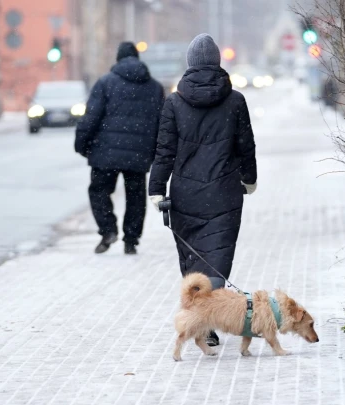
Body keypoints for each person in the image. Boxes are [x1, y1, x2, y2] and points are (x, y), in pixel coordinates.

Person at [148, 34, 257, 346]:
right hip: (224, 193)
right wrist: (249, 179)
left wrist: (157, 188)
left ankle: (202, 321)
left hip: (186, 195)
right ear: (218, 63)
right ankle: (207, 319)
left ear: (190, 64)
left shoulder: (174, 102)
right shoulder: (235, 101)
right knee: (217, 260)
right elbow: (246, 146)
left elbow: (164, 151)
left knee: (192, 262)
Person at [75, 42, 165, 255]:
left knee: (99, 191)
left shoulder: (105, 83)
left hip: (105, 152)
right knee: (136, 196)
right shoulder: (154, 87)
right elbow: (162, 124)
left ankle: (108, 230)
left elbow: (91, 117)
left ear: (118, 59)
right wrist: (157, 152)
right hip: (139, 152)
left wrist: (81, 144)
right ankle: (131, 240)